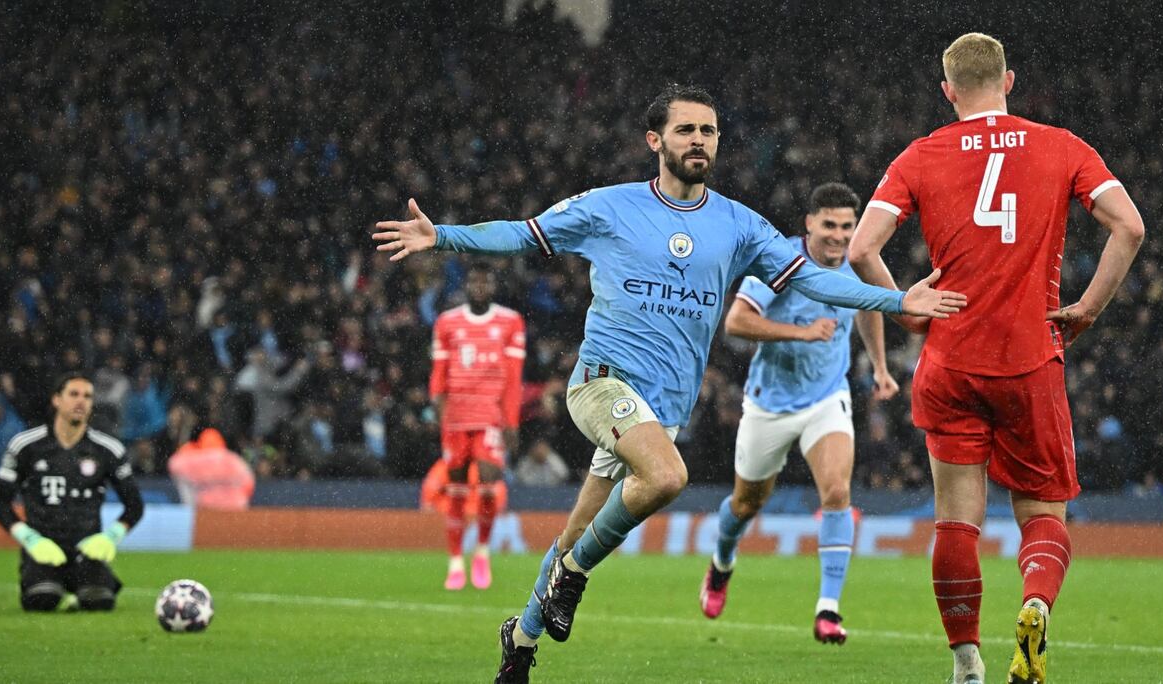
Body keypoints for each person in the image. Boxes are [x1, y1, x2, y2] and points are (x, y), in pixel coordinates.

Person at [374, 84, 966, 683]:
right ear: (655, 140)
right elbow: (525, 234)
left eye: (708, 131)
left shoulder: (739, 225)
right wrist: (442, 235)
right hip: (602, 384)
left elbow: (815, 281)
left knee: (579, 530)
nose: (699, 141)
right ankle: (572, 576)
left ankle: (520, 643)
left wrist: (895, 300)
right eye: (686, 130)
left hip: (662, 410)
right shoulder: (610, 207)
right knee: (666, 476)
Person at [847, 33, 1145, 684]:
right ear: (1010, 82)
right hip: (1031, 354)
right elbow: (1130, 226)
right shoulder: (1061, 146)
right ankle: (1035, 603)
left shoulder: (920, 157)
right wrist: (1089, 306)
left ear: (948, 91)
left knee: (956, 516)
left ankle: (965, 662)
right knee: (1041, 512)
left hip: (950, 359)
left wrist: (903, 303)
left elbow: (862, 247)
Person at [699, 182, 900, 645]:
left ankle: (828, 609)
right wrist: (802, 332)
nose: (839, 235)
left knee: (837, 493)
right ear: (809, 223)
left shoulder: (858, 262)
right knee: (747, 503)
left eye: (847, 226)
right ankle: (722, 562)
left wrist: (881, 366)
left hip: (827, 398)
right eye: (829, 224)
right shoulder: (778, 261)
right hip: (769, 404)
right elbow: (737, 322)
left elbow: (869, 307)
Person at [0, 372, 145, 612]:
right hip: (43, 551)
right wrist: (30, 540)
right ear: (56, 400)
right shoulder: (26, 446)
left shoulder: (108, 450)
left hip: (86, 551)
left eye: (87, 396)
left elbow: (135, 506)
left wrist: (110, 536)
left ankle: (87, 584)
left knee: (99, 602)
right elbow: (0, 503)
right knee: (42, 600)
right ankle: (48, 583)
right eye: (73, 394)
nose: (81, 401)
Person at [428, 260, 526, 590]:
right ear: (466, 286)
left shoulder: (511, 322)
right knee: (455, 488)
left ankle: (481, 552)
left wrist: (511, 422)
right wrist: (440, 414)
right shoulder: (447, 323)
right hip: (456, 416)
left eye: (485, 282)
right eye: (474, 282)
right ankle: (456, 562)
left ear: (493, 287)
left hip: (491, 417)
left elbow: (513, 379)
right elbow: (439, 376)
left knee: (487, 485)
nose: (479, 288)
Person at [167, 428, 256, 511]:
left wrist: (187, 449)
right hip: (234, 509)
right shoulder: (233, 459)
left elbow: (174, 464)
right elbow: (248, 482)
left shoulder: (194, 460)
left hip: (206, 508)